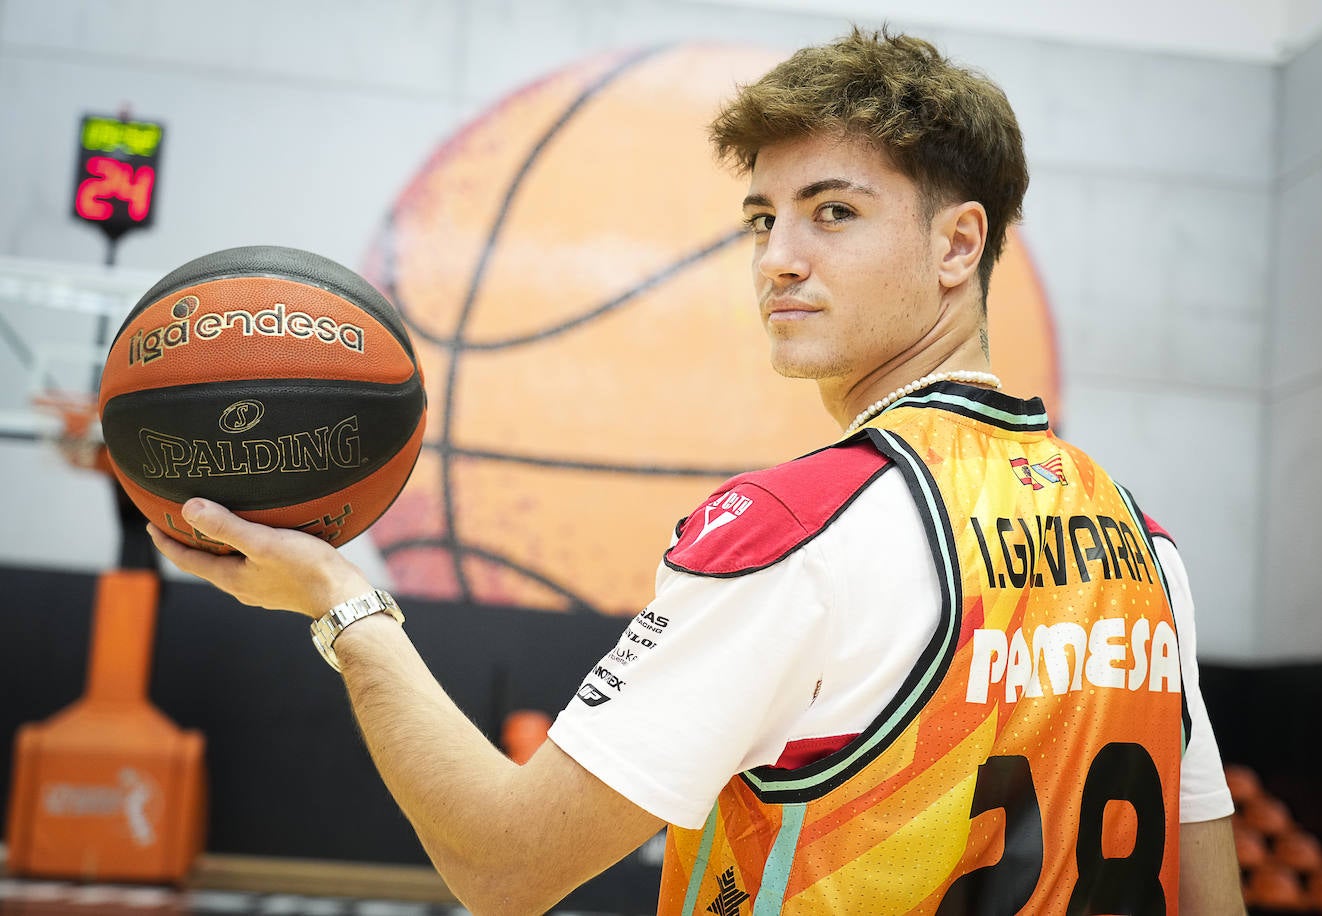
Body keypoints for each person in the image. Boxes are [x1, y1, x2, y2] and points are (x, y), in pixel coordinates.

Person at [150, 27, 1244, 915]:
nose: (778, 257)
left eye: (834, 212)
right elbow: (1209, 896)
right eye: (763, 219)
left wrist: (344, 605)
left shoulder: (805, 532)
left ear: (960, 246)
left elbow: (505, 867)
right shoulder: (1145, 544)